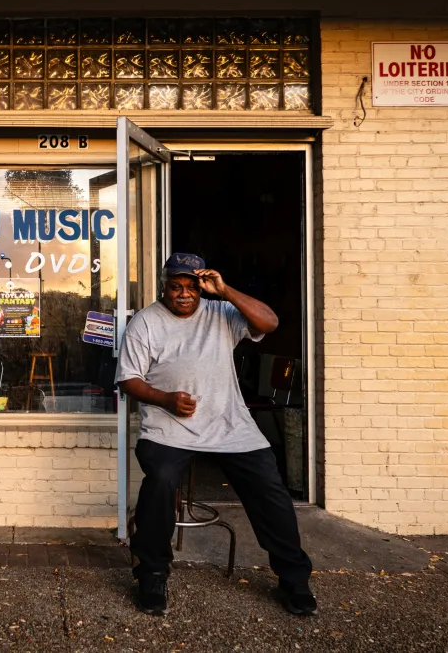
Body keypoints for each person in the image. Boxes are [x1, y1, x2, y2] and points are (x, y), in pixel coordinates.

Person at [116, 253, 316, 617]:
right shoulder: (145, 323)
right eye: (175, 287)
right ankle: (152, 573)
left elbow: (269, 322)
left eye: (191, 287)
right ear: (165, 285)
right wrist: (165, 400)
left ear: (202, 287)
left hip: (230, 426)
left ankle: (294, 580)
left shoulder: (221, 313)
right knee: (159, 481)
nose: (183, 295)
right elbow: (129, 379)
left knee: (270, 489)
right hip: (168, 428)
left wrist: (225, 291)